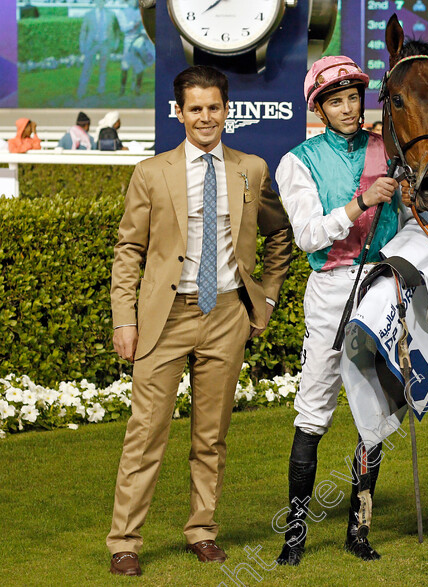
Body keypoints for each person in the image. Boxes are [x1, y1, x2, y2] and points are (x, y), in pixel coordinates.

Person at [106, 65, 294, 577]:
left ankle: (202, 530)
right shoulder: (151, 172)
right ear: (180, 113)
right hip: (164, 319)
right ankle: (125, 540)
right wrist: (125, 318)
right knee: (146, 433)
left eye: (214, 107)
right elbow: (129, 249)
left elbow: (280, 235)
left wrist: (267, 298)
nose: (205, 117)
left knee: (211, 435)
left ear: (226, 110)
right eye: (195, 109)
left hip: (227, 313)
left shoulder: (251, 169)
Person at [273, 55, 400, 566]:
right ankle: (295, 534)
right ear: (319, 108)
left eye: (354, 98)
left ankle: (359, 529)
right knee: (314, 411)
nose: (348, 108)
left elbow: (414, 216)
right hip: (330, 288)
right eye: (336, 101)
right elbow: (307, 235)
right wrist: (361, 202)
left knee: (374, 411)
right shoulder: (297, 161)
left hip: (381, 283)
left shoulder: (386, 148)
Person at [77, 0, 121, 99]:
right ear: (95, 2)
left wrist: (116, 43)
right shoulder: (88, 15)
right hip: (92, 44)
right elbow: (84, 31)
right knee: (87, 68)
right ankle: (81, 91)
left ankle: (101, 90)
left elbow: (117, 30)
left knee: (104, 67)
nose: (100, 2)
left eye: (102, 1)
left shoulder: (111, 14)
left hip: (105, 44)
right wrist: (82, 45)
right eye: (98, 1)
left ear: (105, 2)